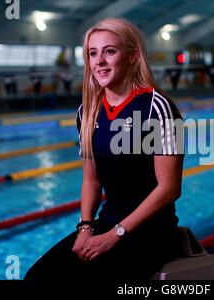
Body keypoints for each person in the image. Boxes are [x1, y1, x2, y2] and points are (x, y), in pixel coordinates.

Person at [24, 18, 184, 280]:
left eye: (109, 51)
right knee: (38, 277)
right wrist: (85, 228)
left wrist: (116, 235)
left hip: (152, 232)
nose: (99, 61)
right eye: (92, 53)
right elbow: (91, 179)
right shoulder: (87, 112)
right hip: (106, 223)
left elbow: (169, 189)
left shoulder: (158, 106)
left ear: (133, 56)